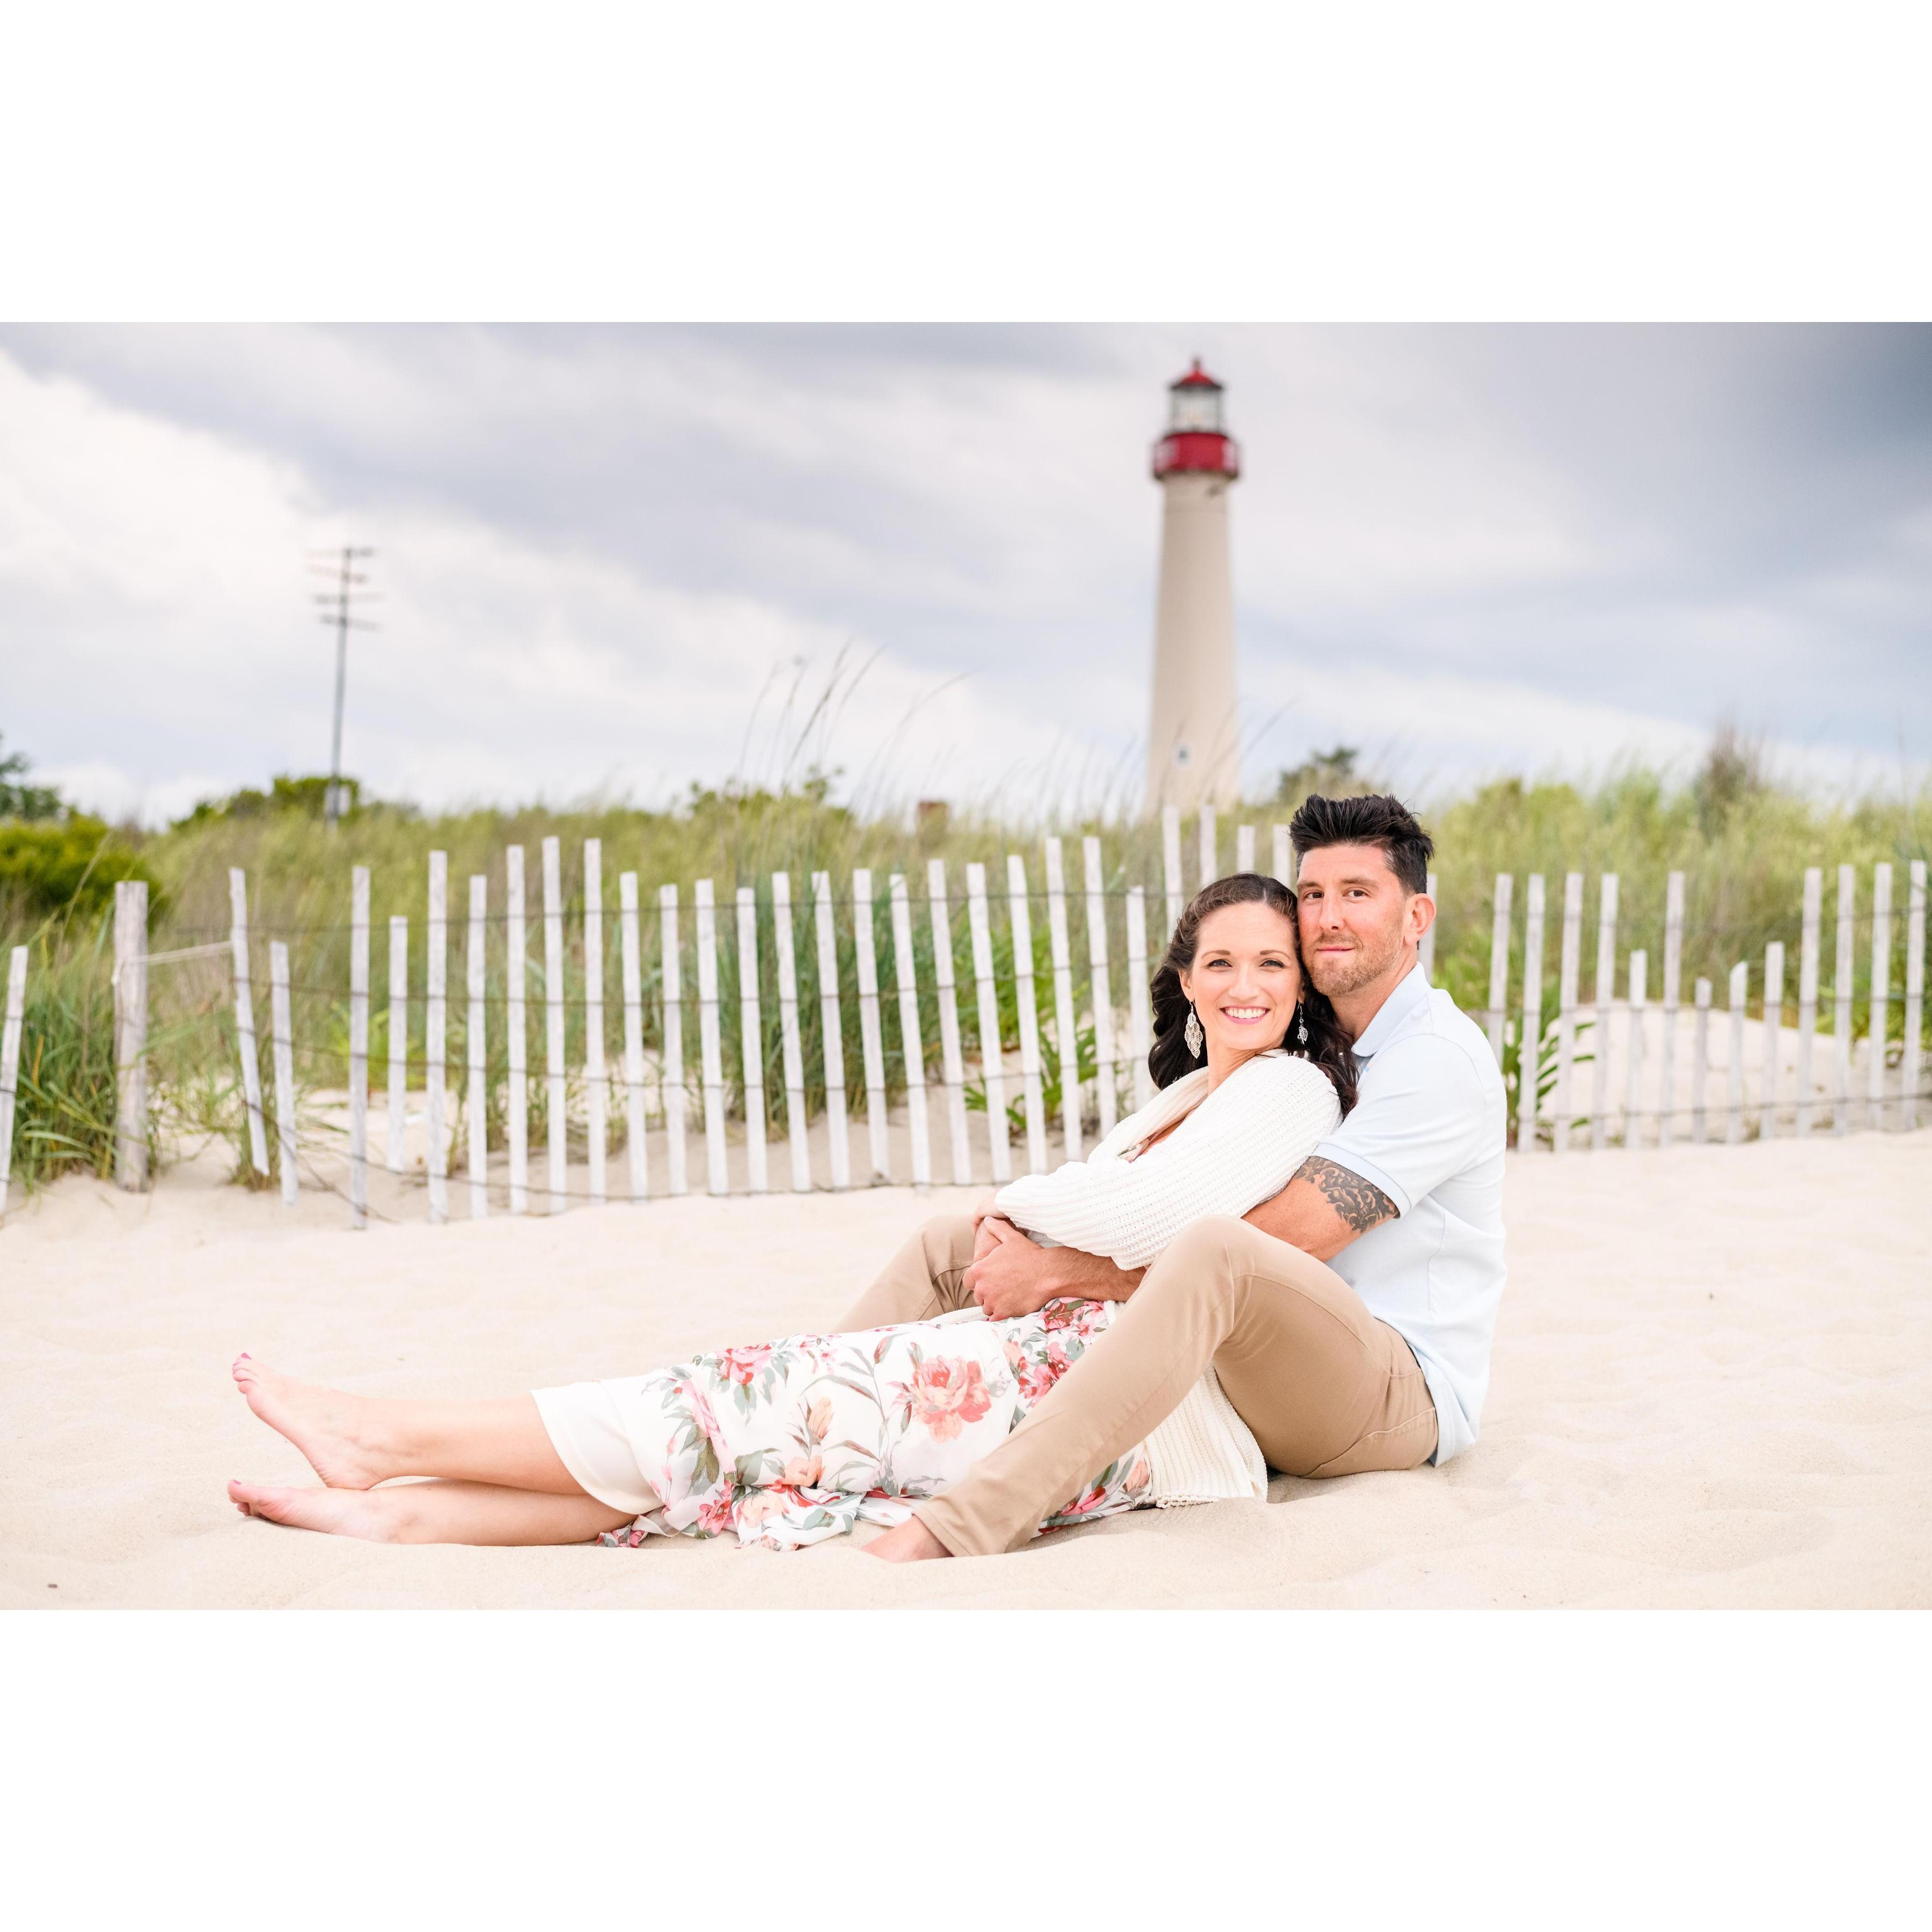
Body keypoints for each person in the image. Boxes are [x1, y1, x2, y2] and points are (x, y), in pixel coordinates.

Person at [225, 872, 1359, 1548]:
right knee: (750, 1453)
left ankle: (382, 1441)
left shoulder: (1290, 1089)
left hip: (1134, 1412)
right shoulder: (1181, 1099)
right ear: (1186, 980)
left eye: (1272, 964)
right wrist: (1048, 1229)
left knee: (748, 1408)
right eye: (1221, 963)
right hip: (1037, 1358)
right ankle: (401, 1514)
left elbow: (1152, 1216)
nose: (1246, 985)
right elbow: (1114, 1205)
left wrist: (1011, 1204)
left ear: (1301, 984)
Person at [862, 791, 1506, 1563]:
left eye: (1358, 894)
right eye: (1312, 894)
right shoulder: (1310, 1048)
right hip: (1261, 1356)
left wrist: (1061, 1272)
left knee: (1216, 1249)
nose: (1328, 917)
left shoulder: (1436, 1061)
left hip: (1391, 1394)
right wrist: (1024, 1236)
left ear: (1416, 917)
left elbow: (1282, 1242)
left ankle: (961, 1525)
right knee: (954, 1244)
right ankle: (803, 1405)